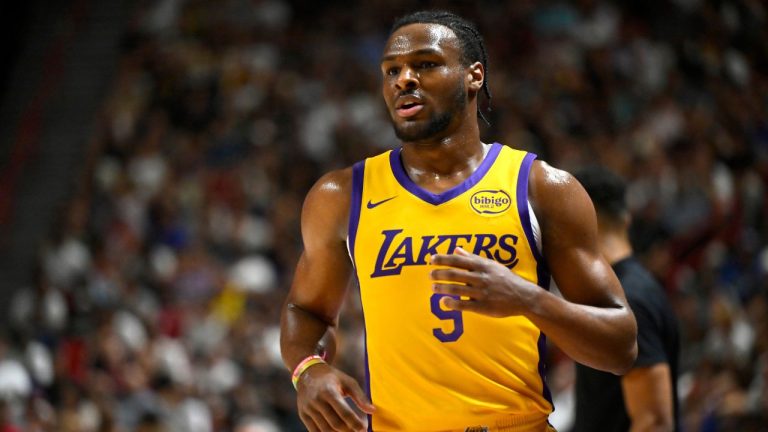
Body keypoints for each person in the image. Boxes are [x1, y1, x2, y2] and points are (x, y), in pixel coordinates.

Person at [280, 10, 638, 432]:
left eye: (425, 65)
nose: (404, 79)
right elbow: (305, 310)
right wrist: (308, 369)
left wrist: (528, 299)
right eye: (391, 70)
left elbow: (621, 346)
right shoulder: (341, 196)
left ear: (474, 76)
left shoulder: (542, 189)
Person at [572, 166, 680, 432]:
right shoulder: (629, 287)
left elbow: (654, 422)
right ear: (626, 218)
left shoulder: (629, 297)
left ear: (581, 216)